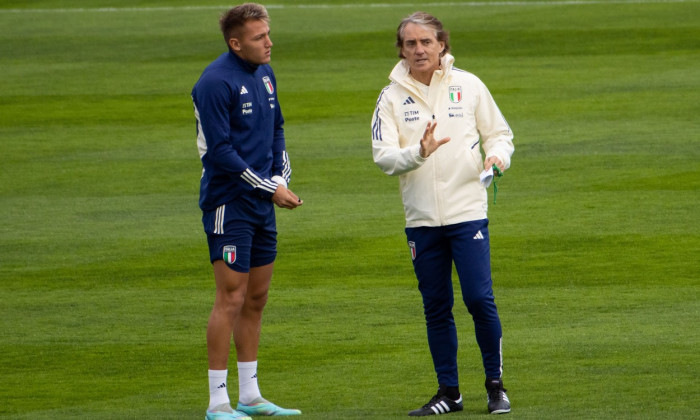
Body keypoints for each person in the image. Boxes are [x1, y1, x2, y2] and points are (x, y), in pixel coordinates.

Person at [371, 11, 514, 416]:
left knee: (478, 299)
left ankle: (495, 385)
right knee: (436, 307)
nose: (419, 50)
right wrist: (419, 152)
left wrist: (497, 158)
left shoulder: (468, 85)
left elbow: (499, 134)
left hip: (467, 211)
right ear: (401, 49)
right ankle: (449, 393)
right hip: (421, 220)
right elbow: (383, 158)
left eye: (426, 42)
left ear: (442, 45)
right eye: (410, 43)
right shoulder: (390, 97)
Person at [191, 3, 303, 419]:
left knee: (256, 297)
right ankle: (217, 402)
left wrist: (281, 177)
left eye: (268, 33)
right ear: (236, 43)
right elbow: (220, 152)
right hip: (228, 204)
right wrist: (270, 188)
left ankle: (250, 396)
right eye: (259, 37)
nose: (269, 42)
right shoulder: (214, 82)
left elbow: (277, 129)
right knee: (231, 297)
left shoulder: (266, 74)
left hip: (261, 201)